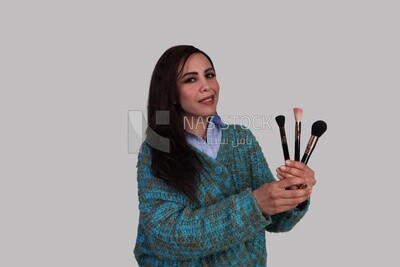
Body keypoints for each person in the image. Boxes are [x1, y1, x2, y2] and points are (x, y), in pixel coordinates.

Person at [134, 45, 316, 266]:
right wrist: (255, 204)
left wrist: (294, 195)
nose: (206, 86)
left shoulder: (241, 139)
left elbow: (276, 222)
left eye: (209, 75)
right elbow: (166, 236)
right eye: (191, 79)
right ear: (171, 93)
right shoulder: (156, 149)